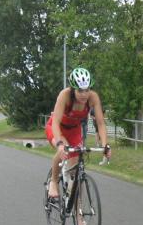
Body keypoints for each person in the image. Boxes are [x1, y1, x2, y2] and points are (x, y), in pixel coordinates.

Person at [46, 67, 111, 207]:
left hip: (74, 130)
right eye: (80, 90)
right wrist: (60, 144)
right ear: (73, 89)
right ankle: (53, 182)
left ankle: (76, 210)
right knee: (63, 149)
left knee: (75, 172)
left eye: (87, 90)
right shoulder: (64, 95)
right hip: (57, 128)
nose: (84, 94)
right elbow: (55, 122)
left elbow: (100, 123)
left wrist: (105, 145)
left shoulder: (93, 98)